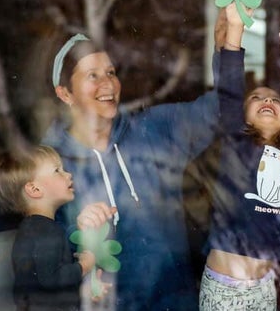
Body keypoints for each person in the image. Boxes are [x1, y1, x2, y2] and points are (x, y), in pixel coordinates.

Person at [42, 26, 223, 310]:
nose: (108, 84)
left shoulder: (151, 131)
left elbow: (221, 112)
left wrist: (230, 43)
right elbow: (43, 264)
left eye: (111, 73)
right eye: (93, 76)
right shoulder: (50, 166)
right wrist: (77, 231)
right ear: (65, 94)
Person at [199, 5, 280, 310]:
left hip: (265, 287)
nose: (267, 100)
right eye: (256, 98)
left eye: (275, 99)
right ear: (242, 115)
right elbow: (230, 90)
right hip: (224, 287)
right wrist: (235, 30)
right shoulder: (235, 142)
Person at [0, 145, 111, 310]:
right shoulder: (46, 231)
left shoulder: (32, 228)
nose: (68, 174)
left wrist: (83, 292)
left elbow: (46, 287)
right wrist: (83, 266)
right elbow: (50, 279)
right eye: (57, 170)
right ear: (34, 189)